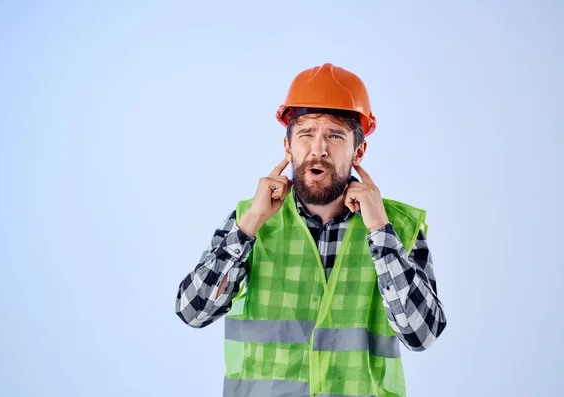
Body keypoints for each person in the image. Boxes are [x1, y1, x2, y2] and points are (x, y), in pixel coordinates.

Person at [175, 63, 447, 397]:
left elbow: (422, 335)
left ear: (358, 151)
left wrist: (380, 230)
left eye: (334, 135)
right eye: (306, 134)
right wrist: (248, 227)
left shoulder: (397, 227)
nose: (318, 148)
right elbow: (192, 312)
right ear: (288, 148)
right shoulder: (250, 219)